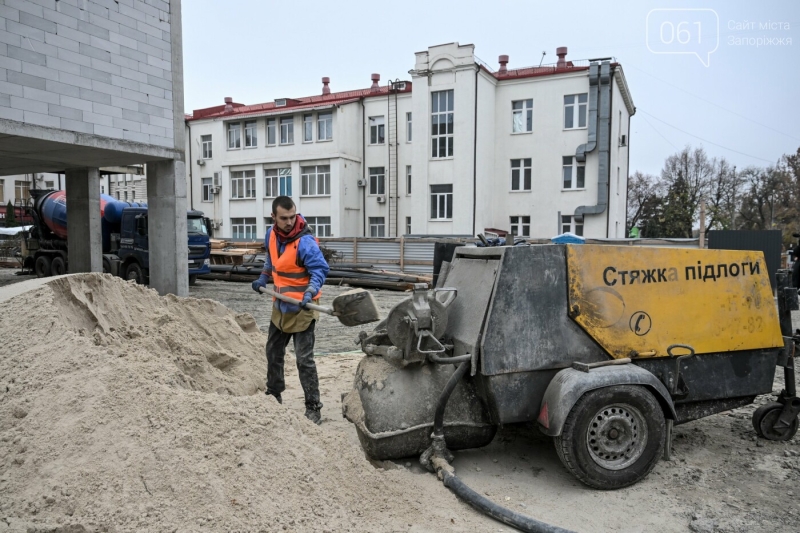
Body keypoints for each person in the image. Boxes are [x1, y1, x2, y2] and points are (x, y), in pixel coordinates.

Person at [252, 196, 330, 424]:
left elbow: (319, 270)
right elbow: (271, 262)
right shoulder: (271, 235)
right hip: (281, 306)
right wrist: (263, 278)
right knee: (273, 353)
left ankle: (313, 406)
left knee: (304, 359)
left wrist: (310, 291)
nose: (289, 222)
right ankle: (273, 394)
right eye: (284, 218)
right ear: (273, 217)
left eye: (292, 216)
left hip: (303, 308)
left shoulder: (304, 242)